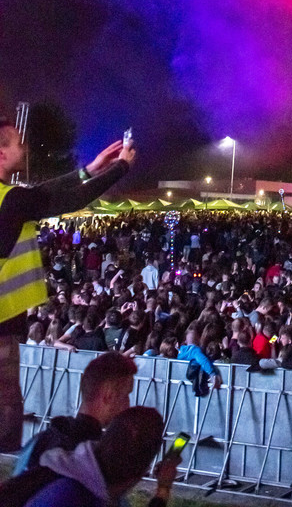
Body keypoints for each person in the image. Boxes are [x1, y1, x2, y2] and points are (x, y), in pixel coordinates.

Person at [0, 114, 135, 451]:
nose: (25, 148)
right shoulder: (11, 199)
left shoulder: (9, 198)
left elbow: (38, 193)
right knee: (5, 414)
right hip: (1, 323)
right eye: (18, 143)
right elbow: (69, 201)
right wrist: (120, 168)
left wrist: (89, 169)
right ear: (1, 154)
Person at [0, 405, 177, 507]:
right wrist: (163, 489)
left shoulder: (67, 472)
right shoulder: (74, 497)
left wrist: (162, 490)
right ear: (141, 470)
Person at [15, 350, 137, 473]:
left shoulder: (38, 441)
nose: (128, 405)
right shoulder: (94, 459)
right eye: (126, 395)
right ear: (109, 396)